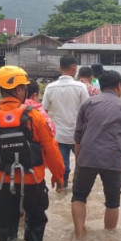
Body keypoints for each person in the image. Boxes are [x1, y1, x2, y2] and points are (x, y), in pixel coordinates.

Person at [0, 66, 65, 241]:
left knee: (4, 226)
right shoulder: (35, 116)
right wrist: (58, 175)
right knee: (35, 222)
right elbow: (51, 149)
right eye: (24, 88)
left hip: (1, 183)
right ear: (20, 90)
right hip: (33, 182)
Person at [71, 70, 121, 240]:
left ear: (101, 86)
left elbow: (78, 136)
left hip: (87, 156)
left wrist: (78, 161)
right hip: (113, 159)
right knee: (112, 202)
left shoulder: (87, 104)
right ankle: (109, 240)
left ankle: (79, 235)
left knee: (79, 196)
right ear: (119, 86)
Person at [42, 55, 90, 189]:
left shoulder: (50, 88)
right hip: (78, 136)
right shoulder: (80, 87)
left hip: (59, 135)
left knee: (62, 167)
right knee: (82, 165)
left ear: (59, 68)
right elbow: (88, 111)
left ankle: (61, 190)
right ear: (74, 69)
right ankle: (79, 191)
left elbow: (43, 113)